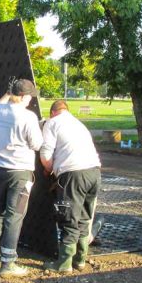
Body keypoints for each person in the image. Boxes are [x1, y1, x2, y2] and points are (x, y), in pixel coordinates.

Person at [0, 79, 43, 278]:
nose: (31, 100)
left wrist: (8, 90)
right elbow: (37, 145)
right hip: (19, 172)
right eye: (30, 96)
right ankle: (8, 263)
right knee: (14, 216)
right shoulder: (28, 116)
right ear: (23, 96)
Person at [40, 99, 102, 273]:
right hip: (94, 172)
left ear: (52, 112)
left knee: (69, 217)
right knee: (84, 216)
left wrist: (49, 170)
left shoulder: (52, 123)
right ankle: (80, 260)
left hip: (73, 174)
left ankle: (64, 263)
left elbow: (45, 154)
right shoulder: (79, 124)